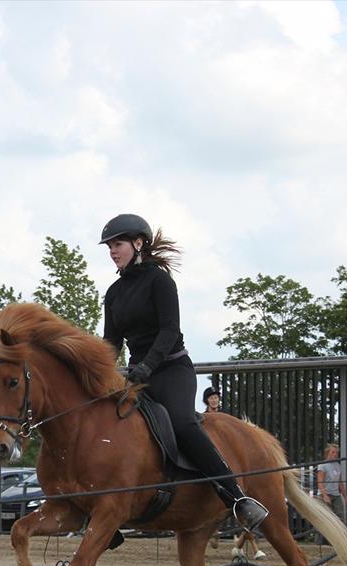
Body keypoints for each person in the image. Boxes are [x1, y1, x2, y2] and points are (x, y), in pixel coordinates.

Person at [99, 213, 268, 528]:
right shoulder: (114, 293)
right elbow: (111, 342)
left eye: (117, 244)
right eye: (109, 246)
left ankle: (236, 498)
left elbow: (169, 330)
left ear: (138, 244)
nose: (112, 251)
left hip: (171, 368)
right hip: (138, 376)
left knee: (182, 422)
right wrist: (99, 374)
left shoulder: (159, 280)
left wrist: (148, 365)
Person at [316, 443, 347, 521]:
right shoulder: (323, 465)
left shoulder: (337, 465)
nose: (335, 454)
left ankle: (341, 533)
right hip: (325, 495)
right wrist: (324, 495)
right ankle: (317, 533)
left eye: (336, 453)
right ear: (327, 453)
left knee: (340, 517)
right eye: (333, 452)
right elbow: (320, 482)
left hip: (336, 495)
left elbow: (340, 482)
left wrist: (345, 497)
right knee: (326, 518)